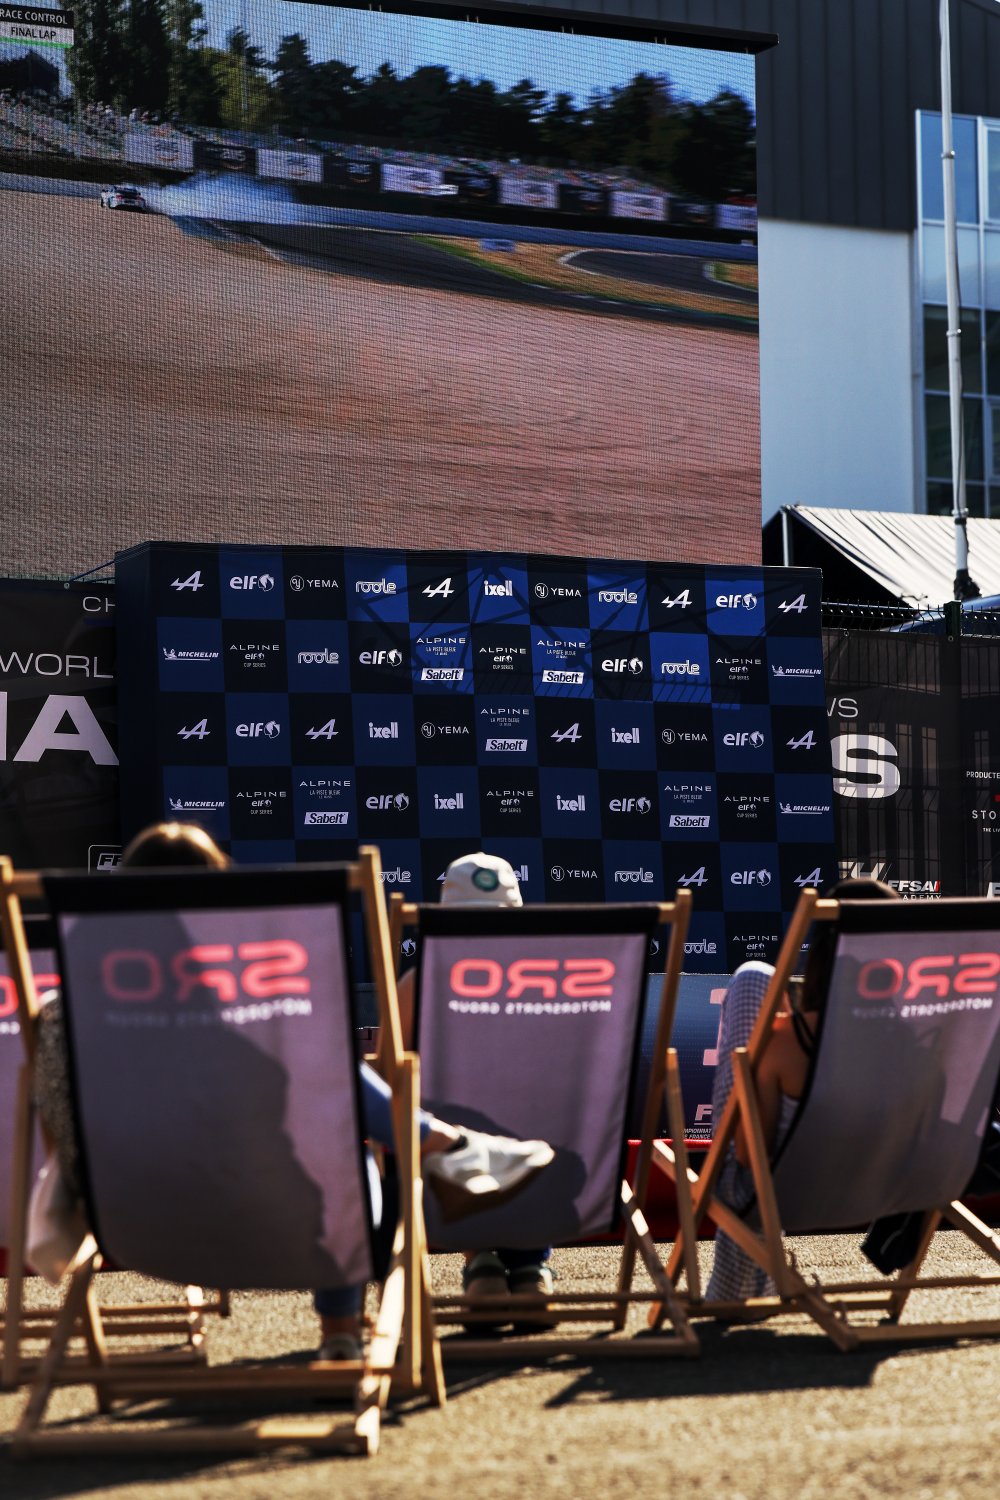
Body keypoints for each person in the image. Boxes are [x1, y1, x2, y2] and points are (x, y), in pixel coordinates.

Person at [29, 824, 554, 1361]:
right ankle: (345, 1324)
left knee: (325, 1090)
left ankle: (448, 1162)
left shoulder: (60, 1013)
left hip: (128, 1225)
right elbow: (313, 1093)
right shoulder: (246, 1008)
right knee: (341, 1143)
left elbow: (58, 1130)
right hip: (264, 1209)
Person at [705, 877, 900, 1303]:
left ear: (823, 949)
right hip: (892, 1189)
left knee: (754, 977)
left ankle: (739, 1287)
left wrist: (758, 1055)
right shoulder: (924, 1043)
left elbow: (747, 1154)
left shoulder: (788, 1043)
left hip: (788, 1196)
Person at [398, 852, 556, 1326]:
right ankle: (531, 1270)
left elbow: (391, 1078)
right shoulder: (554, 984)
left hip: (451, 1162)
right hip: (542, 1157)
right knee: (531, 1118)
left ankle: (482, 1263)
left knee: (446, 1122)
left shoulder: (416, 985)